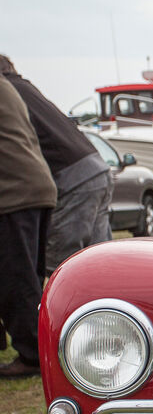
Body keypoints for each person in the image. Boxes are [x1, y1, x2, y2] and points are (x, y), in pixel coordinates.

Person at [0, 55, 113, 273]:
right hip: (97, 168)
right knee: (99, 263)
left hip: (71, 179)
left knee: (62, 270)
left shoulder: (9, 92)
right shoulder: (26, 88)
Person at [0, 75, 58, 377]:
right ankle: (38, 348)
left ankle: (33, 356)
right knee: (29, 279)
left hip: (12, 192)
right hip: (34, 186)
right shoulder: (6, 85)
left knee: (15, 278)